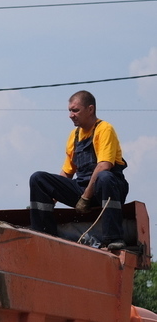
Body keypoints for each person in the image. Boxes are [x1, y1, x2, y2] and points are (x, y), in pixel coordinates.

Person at [29, 90, 128, 250]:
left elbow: (104, 165)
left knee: (104, 176)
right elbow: (67, 173)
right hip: (83, 190)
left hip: (107, 189)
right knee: (38, 179)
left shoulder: (104, 129)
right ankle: (43, 233)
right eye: (69, 110)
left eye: (75, 110)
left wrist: (86, 197)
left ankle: (113, 238)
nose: (71, 115)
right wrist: (48, 197)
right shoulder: (74, 135)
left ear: (90, 109)